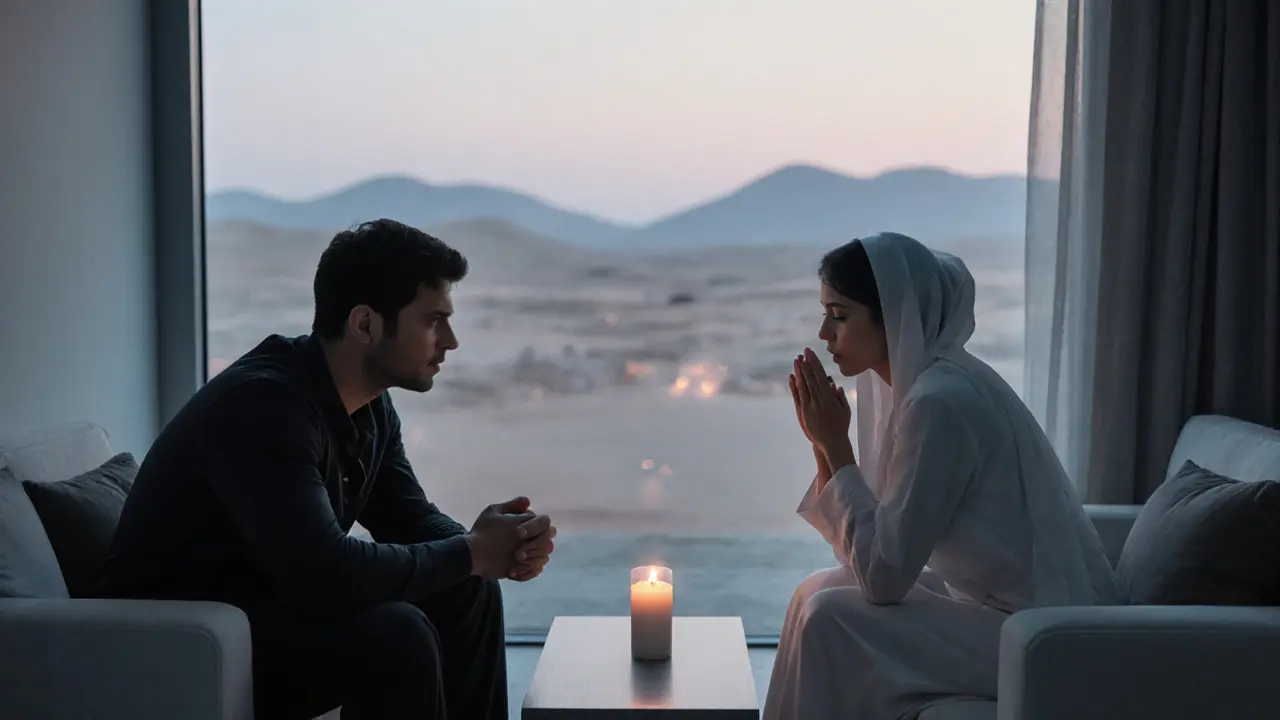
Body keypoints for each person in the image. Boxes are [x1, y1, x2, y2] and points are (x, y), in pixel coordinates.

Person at [97, 218, 555, 720]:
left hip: (268, 609)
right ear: (365, 325)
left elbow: (409, 518)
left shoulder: (369, 406)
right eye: (432, 321)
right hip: (183, 641)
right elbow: (326, 571)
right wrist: (471, 551)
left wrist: (494, 548)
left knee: (469, 587)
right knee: (396, 635)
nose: (450, 341)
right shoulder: (263, 406)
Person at [763, 232, 1119, 720]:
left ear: (892, 315)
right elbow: (865, 554)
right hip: (986, 608)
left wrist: (836, 446)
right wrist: (824, 443)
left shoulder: (940, 404)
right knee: (816, 590)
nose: (825, 333)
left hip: (1033, 633)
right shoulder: (924, 387)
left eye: (840, 315)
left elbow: (883, 578)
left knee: (829, 618)